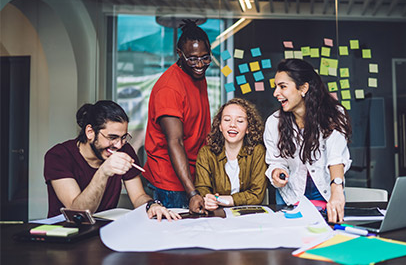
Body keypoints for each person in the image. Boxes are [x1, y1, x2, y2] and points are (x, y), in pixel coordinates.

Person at [44, 100, 180, 221]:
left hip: (103, 231)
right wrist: (103, 172)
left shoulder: (124, 150)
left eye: (123, 137)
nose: (119, 145)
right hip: (65, 234)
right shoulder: (58, 156)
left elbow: (138, 196)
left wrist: (152, 205)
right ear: (90, 132)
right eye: (112, 137)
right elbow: (77, 213)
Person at [263, 59, 352, 223]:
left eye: (282, 86)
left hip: (329, 194)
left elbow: (336, 157)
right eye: (276, 87)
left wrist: (337, 189)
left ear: (303, 88)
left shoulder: (335, 114)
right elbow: (276, 161)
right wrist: (276, 172)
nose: (276, 93)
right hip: (290, 197)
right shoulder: (273, 122)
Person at [143, 19, 211, 213]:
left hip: (193, 175)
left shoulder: (197, 75)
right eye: (193, 59)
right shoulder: (169, 88)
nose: (200, 64)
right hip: (170, 182)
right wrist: (191, 193)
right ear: (180, 54)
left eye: (205, 57)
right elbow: (175, 142)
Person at [194, 98, 267, 211]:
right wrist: (208, 199)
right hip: (216, 215)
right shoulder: (206, 153)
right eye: (227, 119)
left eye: (240, 121)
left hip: (248, 216)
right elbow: (202, 188)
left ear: (248, 128)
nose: (232, 125)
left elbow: (257, 195)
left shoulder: (258, 152)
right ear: (220, 126)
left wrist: (226, 200)